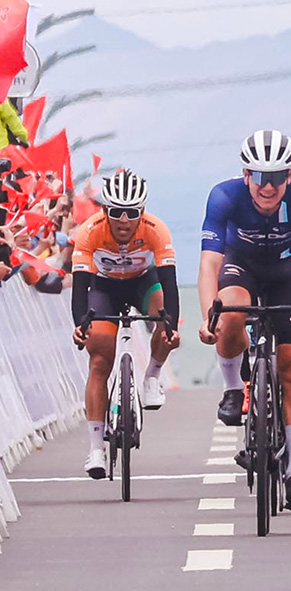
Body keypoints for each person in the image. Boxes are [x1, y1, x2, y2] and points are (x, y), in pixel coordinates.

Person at [197, 129, 291, 512]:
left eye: (275, 178)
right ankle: (233, 388)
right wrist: (210, 315)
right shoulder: (224, 196)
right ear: (245, 175)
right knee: (229, 310)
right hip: (244, 267)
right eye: (259, 177)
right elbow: (210, 262)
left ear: (289, 176)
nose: (267, 187)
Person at [71, 171, 180, 478]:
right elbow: (80, 289)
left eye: (131, 213)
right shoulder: (89, 231)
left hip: (143, 284)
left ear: (141, 212)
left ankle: (152, 377)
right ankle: (96, 449)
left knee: (164, 318)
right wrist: (80, 323)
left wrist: (169, 325)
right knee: (99, 360)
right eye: (115, 212)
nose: (122, 220)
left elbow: (170, 285)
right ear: (104, 210)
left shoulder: (157, 230)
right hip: (103, 288)